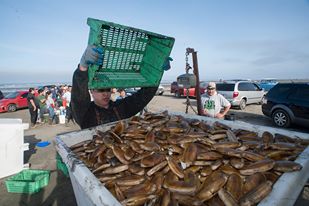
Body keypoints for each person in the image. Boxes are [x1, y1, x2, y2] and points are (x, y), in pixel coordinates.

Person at [71, 45, 171, 129]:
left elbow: (144, 96)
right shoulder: (84, 113)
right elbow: (79, 98)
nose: (106, 93)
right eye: (101, 90)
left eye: (108, 89)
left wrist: (157, 72)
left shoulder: (121, 107)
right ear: (91, 91)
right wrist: (83, 67)